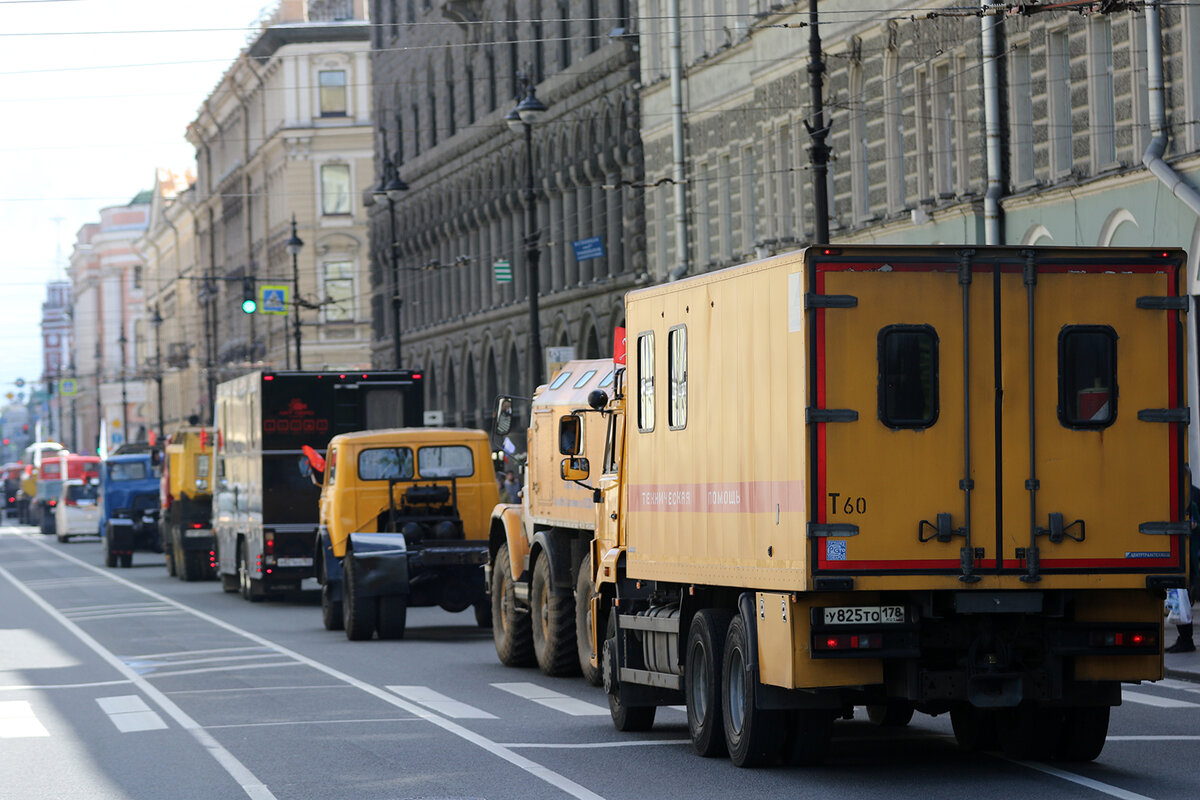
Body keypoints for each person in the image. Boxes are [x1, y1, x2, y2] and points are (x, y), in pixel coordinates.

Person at [1166, 487, 1199, 653]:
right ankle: (1185, 639)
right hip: (1184, 559)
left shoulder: (1190, 502)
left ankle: (1186, 640)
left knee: (1183, 601)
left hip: (1187, 561)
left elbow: (1195, 526)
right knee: (1181, 602)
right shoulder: (1190, 495)